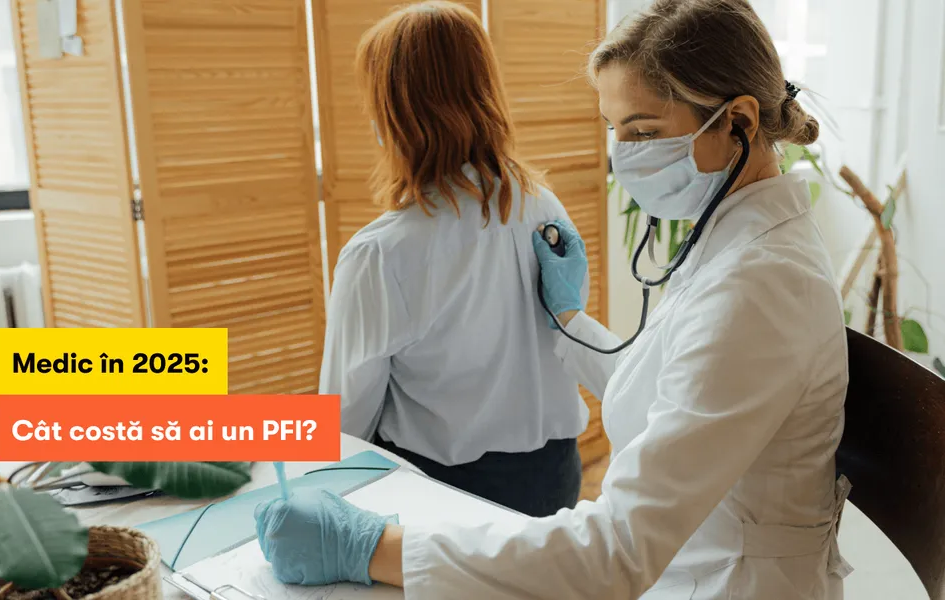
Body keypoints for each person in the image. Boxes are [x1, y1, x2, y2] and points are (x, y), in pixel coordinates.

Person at [256, 0, 852, 598]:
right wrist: (569, 319)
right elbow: (678, 392)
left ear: (738, 122)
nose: (623, 159)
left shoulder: (758, 287)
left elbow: (616, 553)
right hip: (572, 488)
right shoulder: (571, 214)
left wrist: (366, 545)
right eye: (615, 131)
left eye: (644, 132)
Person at [317, 0, 589, 518]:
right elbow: (567, 335)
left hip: (446, 495)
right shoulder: (545, 209)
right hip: (555, 479)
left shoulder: (379, 255)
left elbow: (345, 424)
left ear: (395, 112)